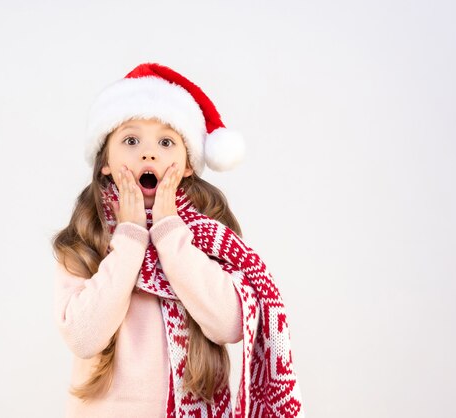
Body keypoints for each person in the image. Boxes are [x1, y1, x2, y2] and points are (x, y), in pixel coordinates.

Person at [52, 62, 304, 418]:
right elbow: (82, 337)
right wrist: (130, 236)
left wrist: (170, 233)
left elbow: (230, 325)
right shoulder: (86, 236)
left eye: (166, 142)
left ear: (188, 164)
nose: (148, 153)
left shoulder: (207, 237)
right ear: (105, 161)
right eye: (130, 140)